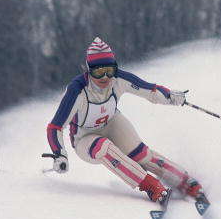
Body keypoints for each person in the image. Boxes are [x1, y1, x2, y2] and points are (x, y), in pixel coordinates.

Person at [45, 37, 204, 203]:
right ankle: (152, 187)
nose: (105, 77)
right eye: (98, 72)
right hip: (84, 138)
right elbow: (55, 127)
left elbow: (150, 90)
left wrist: (171, 96)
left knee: (140, 154)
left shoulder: (119, 79)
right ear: (88, 70)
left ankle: (186, 182)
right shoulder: (76, 90)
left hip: (112, 123)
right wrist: (59, 154)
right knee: (104, 148)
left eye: (109, 70)